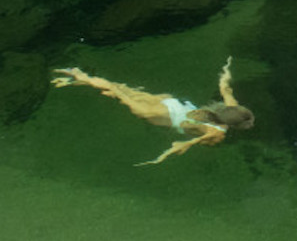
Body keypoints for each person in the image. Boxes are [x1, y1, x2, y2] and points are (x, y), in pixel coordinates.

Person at [51, 57, 254, 165]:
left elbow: (225, 87)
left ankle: (76, 80)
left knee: (123, 90)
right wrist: (166, 154)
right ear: (232, 125)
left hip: (173, 103)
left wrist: (226, 69)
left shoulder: (229, 105)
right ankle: (79, 76)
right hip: (164, 117)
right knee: (117, 93)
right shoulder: (217, 133)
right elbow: (187, 143)